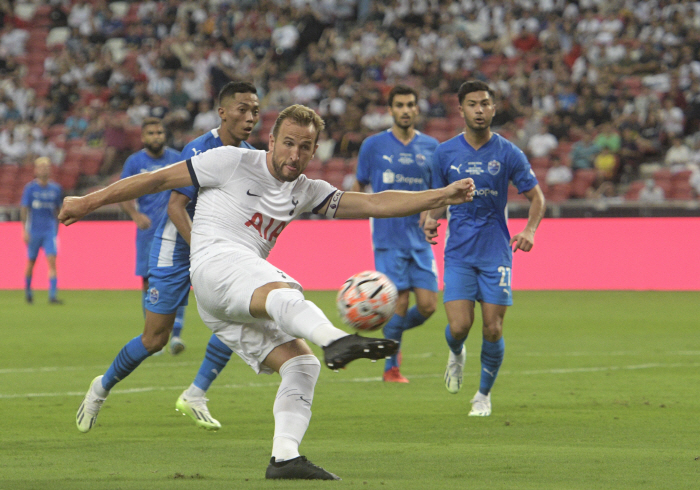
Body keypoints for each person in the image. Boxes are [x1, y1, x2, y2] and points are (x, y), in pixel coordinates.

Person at [60, 104, 475, 480]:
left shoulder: (306, 189)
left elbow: (375, 203)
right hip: (214, 264)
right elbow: (155, 180)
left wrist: (442, 195)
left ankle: (284, 458)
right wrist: (87, 202)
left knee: (301, 365)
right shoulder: (230, 161)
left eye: (306, 147)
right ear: (271, 140)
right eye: (289, 143)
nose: (295, 155)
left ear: (314, 151)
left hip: (223, 305)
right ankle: (336, 339)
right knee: (279, 290)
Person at [72, 82, 260, 434]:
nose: (250, 118)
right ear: (222, 112)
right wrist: (203, 249)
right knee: (154, 339)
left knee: (242, 312)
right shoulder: (199, 150)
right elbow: (176, 207)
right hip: (175, 248)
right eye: (242, 109)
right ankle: (100, 388)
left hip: (212, 250)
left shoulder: (250, 156)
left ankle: (196, 393)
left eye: (255, 111)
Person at [424, 80, 545, 417]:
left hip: (496, 252)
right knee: (460, 327)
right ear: (461, 109)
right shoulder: (444, 152)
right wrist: (430, 219)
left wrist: (530, 230)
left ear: (493, 108)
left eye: (485, 104)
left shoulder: (508, 153)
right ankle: (456, 353)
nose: (480, 110)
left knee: (493, 327)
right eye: (473, 104)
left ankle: (483, 395)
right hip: (459, 252)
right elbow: (435, 198)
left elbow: (537, 197)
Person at [352, 85, 440, 383]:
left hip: (420, 240)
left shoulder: (432, 147)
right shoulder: (373, 146)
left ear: (417, 109)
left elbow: (437, 194)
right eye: (399, 105)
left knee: (428, 306)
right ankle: (391, 367)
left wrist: (431, 218)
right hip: (388, 240)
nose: (405, 110)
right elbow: (359, 186)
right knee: (399, 301)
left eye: (410, 104)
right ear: (390, 110)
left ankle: (391, 338)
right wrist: (357, 212)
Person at [119, 118, 182, 316]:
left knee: (177, 279)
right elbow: (122, 193)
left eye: (160, 133)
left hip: (175, 230)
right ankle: (151, 332)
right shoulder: (135, 162)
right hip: (148, 232)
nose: (156, 137)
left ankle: (176, 334)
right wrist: (135, 215)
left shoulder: (177, 159)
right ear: (143, 137)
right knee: (148, 281)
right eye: (152, 133)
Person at [20, 157, 64, 304]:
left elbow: (59, 210)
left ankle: (52, 295)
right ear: (36, 170)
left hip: (49, 231)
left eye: (47, 167)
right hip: (34, 230)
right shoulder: (30, 188)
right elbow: (25, 209)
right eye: (41, 167)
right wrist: (24, 230)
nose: (44, 169)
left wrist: (57, 227)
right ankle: (28, 292)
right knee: (31, 262)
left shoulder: (55, 189)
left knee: (52, 261)